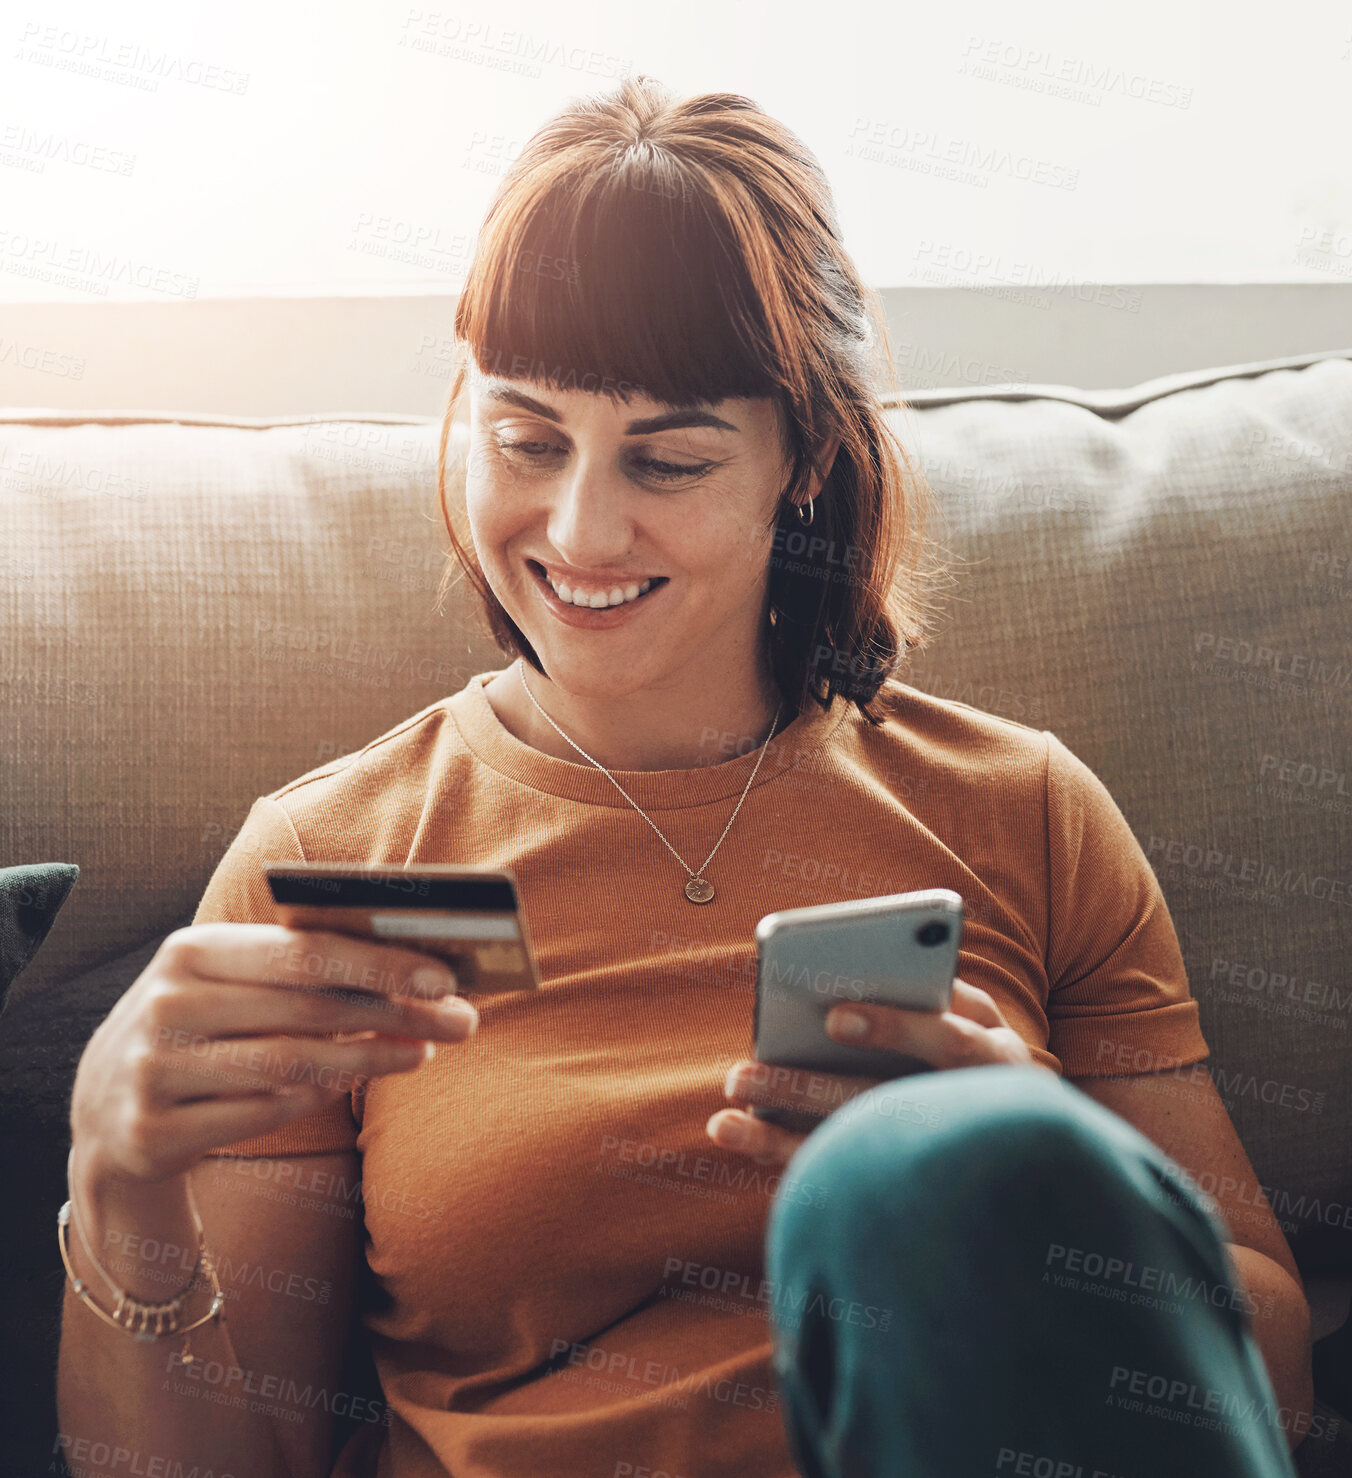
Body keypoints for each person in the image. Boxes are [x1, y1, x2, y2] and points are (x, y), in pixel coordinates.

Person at [57, 75, 1313, 1478]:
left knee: (915, 1178)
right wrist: (118, 1183)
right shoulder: (332, 859)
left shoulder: (1022, 808)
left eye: (668, 457)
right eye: (528, 439)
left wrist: (1044, 1181)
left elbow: (1275, 1375)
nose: (582, 528)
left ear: (805, 462)